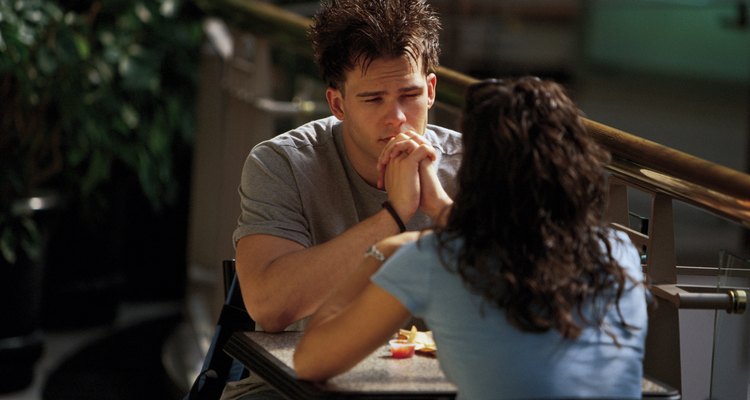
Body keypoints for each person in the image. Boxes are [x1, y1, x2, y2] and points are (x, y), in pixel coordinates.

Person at [293, 77, 650, 399]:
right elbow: (515, 237)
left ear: (475, 171)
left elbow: (310, 361)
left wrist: (385, 249)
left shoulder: (435, 260)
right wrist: (440, 207)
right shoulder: (619, 252)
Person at [223, 0, 460, 398]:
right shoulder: (282, 163)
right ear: (337, 104)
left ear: (432, 90)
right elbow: (269, 306)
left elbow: (524, 292)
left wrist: (439, 208)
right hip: (292, 387)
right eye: (374, 99)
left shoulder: (471, 165)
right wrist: (394, 216)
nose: (397, 117)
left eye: (410, 94)